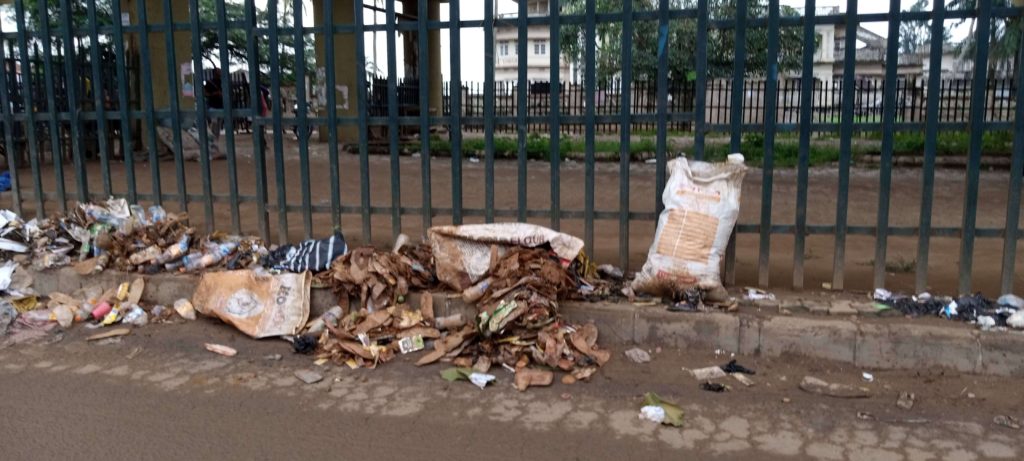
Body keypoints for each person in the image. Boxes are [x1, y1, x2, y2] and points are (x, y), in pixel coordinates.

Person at [202, 68, 224, 157]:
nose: (220, 73)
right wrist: (214, 94)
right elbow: (205, 93)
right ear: (215, 73)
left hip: (221, 107)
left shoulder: (222, 82)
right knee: (213, 126)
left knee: (218, 127)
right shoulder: (209, 83)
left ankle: (215, 144)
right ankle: (211, 144)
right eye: (218, 72)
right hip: (213, 107)